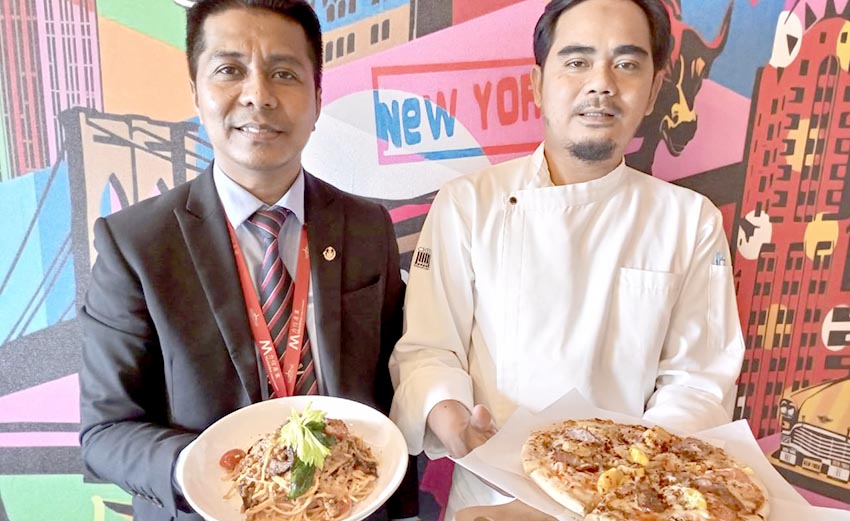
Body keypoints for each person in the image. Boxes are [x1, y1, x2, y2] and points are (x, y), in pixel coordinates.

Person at [388, 0, 745, 517]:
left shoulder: (691, 221)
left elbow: (697, 384)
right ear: (537, 84)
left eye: (626, 63)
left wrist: (623, 483)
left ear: (654, 90)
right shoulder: (469, 204)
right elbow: (428, 349)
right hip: (491, 498)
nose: (601, 83)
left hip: (629, 506)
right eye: (577, 61)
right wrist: (453, 420)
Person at [78, 1, 418, 519]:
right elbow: (105, 431)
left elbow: (396, 374)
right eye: (229, 70)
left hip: (350, 503)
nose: (258, 95)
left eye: (284, 73)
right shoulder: (135, 245)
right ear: (196, 92)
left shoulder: (367, 226)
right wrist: (197, 470)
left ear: (317, 99)